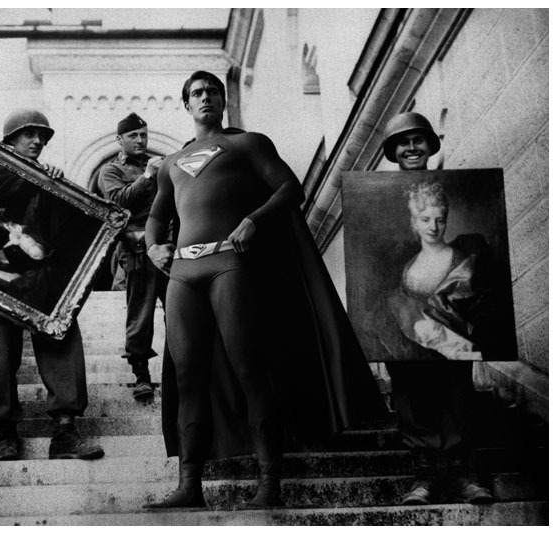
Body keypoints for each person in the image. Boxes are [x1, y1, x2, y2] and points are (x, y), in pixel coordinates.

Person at [143, 71, 386, 509]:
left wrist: (254, 219)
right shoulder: (170, 164)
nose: (206, 97)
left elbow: (291, 187)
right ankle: (188, 487)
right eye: (196, 93)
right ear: (186, 105)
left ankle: (269, 484)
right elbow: (157, 217)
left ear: (222, 100)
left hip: (229, 264)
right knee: (187, 377)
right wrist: (152, 248)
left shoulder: (247, 143)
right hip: (183, 272)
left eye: (212, 91)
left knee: (248, 367)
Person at [0, 109, 105, 462]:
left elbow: (64, 233)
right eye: (30, 134)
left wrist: (54, 186)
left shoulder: (46, 181)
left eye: (43, 136)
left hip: (42, 278)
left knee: (60, 333)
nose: (38, 141)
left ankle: (65, 432)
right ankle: (5, 434)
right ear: (9, 139)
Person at [381, 112, 493, 505]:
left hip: (451, 339)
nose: (411, 147)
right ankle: (425, 478)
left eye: (418, 140)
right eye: (403, 142)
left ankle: (465, 476)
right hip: (406, 340)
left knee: (457, 396)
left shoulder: (464, 253)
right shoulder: (392, 243)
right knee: (412, 402)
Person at [99, 113, 168, 400]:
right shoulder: (111, 170)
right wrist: (148, 176)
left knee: (179, 312)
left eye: (143, 135)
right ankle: (141, 374)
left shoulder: (160, 165)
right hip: (137, 249)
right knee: (140, 314)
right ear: (120, 140)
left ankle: (182, 372)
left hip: (168, 248)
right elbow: (117, 204)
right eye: (133, 136)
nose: (140, 140)